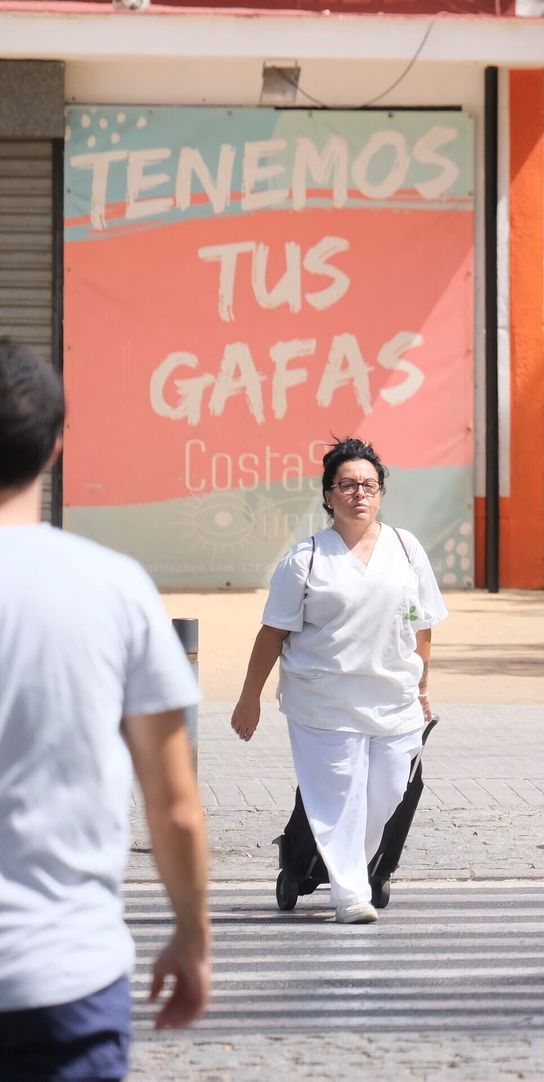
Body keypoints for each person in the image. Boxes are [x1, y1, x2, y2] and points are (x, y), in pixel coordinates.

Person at [0, 338, 211, 1078]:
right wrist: (192, 936)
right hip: (65, 979)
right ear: (57, 446)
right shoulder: (114, 589)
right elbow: (175, 806)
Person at [230, 437, 446, 925]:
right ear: (328, 496)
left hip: (394, 699)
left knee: (389, 791)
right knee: (338, 795)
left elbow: (422, 625)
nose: (359, 494)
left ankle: (347, 868)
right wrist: (250, 698)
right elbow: (271, 634)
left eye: (369, 485)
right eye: (347, 485)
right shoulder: (306, 558)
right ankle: (350, 893)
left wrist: (424, 687)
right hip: (322, 700)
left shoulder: (407, 549)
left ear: (382, 492)